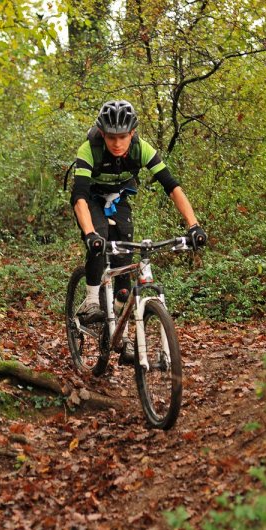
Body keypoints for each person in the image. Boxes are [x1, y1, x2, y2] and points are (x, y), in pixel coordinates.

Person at [70, 99, 207, 363]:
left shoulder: (141, 149)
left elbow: (171, 185)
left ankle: (120, 332)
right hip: (91, 201)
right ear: (102, 134)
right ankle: (90, 300)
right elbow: (79, 195)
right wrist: (89, 234)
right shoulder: (89, 149)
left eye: (122, 137)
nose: (117, 143)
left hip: (118, 199)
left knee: (125, 254)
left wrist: (194, 225)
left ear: (132, 133)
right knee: (100, 236)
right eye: (111, 137)